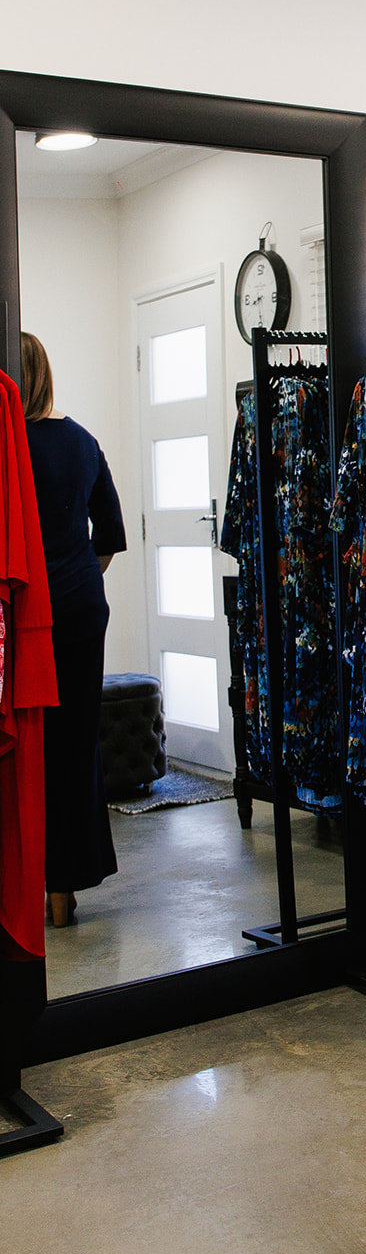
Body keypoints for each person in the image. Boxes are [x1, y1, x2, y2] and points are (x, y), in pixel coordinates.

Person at [19, 333, 126, 929]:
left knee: (27, 745)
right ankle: (65, 889)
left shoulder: (11, 445)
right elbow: (108, 536)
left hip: (26, 613)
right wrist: (75, 578)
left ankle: (34, 884)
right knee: (75, 745)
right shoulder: (83, 441)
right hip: (81, 607)